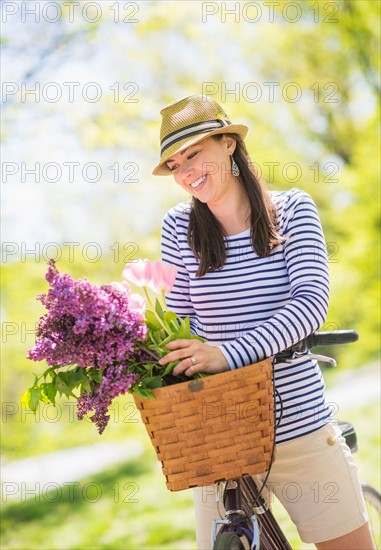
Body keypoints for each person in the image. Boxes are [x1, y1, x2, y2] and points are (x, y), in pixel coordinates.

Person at [153, 94, 375, 549]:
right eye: (175, 164)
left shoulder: (293, 209)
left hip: (300, 423)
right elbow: (181, 322)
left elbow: (310, 303)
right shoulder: (179, 227)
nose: (187, 171)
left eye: (194, 153)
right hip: (222, 435)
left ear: (229, 142)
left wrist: (226, 353)